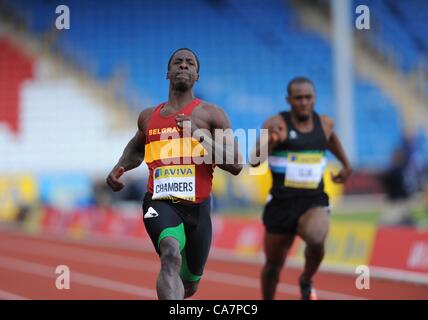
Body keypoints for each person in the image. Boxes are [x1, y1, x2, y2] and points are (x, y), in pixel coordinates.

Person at [106, 48, 242, 300]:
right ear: (167, 73)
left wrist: (199, 136)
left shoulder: (213, 115)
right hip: (159, 202)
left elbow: (235, 164)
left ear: (197, 75)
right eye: (177, 62)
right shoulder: (148, 116)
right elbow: (136, 148)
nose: (183, 66)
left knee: (189, 285)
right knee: (170, 255)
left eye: (189, 63)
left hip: (199, 208)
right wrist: (119, 167)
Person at [250, 77, 352, 300]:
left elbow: (331, 139)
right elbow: (254, 160)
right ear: (289, 100)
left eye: (309, 97)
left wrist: (346, 164)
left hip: (313, 200)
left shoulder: (324, 124)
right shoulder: (276, 123)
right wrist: (272, 141)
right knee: (273, 266)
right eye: (299, 98)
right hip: (281, 204)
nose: (304, 102)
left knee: (316, 239)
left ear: (315, 98)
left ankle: (306, 279)